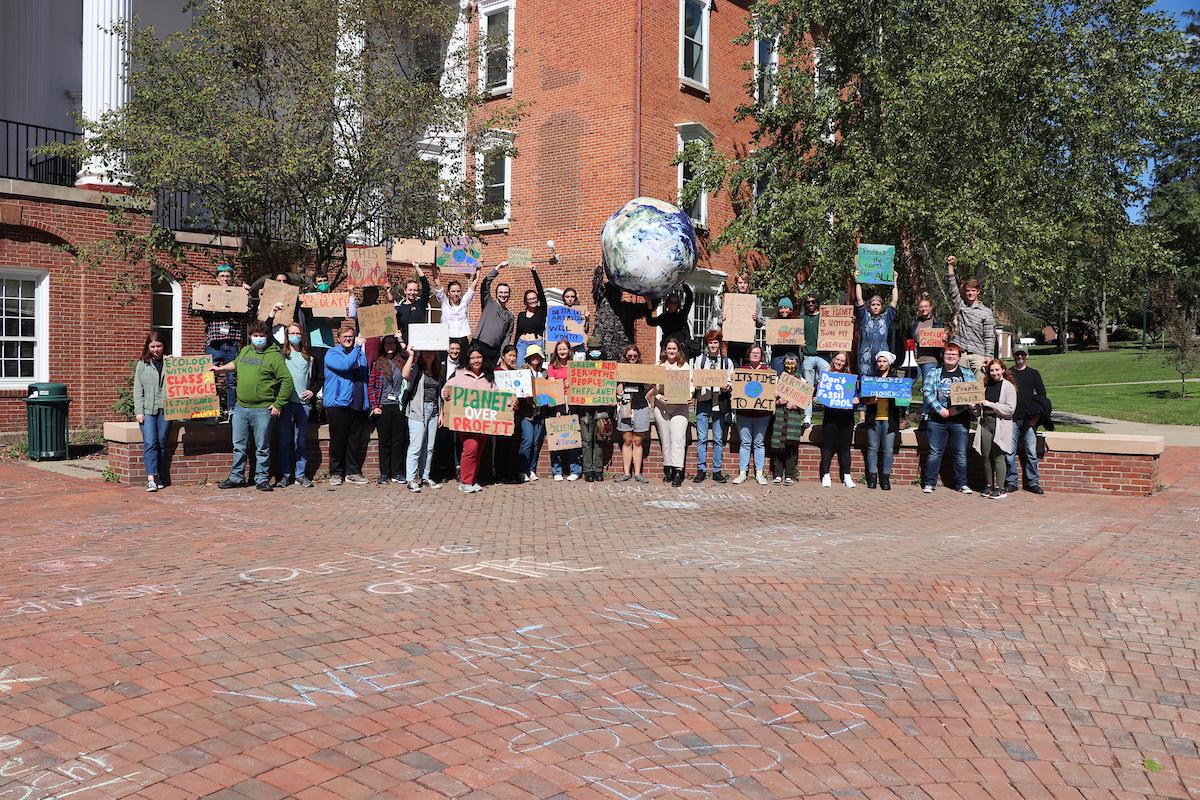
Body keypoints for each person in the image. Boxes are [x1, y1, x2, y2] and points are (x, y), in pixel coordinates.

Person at [213, 320, 294, 491]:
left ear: (267, 337)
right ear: (250, 337)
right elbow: (236, 364)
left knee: (262, 447)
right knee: (239, 446)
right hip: (241, 407)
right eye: (255, 336)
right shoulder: (245, 351)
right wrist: (220, 369)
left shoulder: (274, 356)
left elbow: (287, 381)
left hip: (262, 409)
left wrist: (278, 404)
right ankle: (236, 478)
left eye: (261, 336)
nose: (258, 338)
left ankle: (261, 479)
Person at [442, 345, 507, 494]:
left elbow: (496, 395)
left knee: (479, 450)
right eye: (472, 358)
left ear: (483, 358)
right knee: (470, 448)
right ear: (468, 359)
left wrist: (509, 402)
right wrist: (444, 392)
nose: (475, 360)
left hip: (483, 422)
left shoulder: (489, 376)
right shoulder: (459, 373)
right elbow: (447, 389)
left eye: (478, 357)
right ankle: (465, 482)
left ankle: (472, 480)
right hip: (465, 421)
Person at [188, 263, 246, 417]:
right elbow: (191, 310)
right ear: (217, 278)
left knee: (231, 380)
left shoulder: (237, 294)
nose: (225, 278)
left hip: (231, 342)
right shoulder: (208, 294)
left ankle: (232, 410)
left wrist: (247, 294)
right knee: (209, 378)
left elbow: (250, 311)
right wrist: (196, 292)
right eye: (222, 276)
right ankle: (210, 412)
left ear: (232, 278)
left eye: (228, 276)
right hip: (213, 343)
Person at [920, 342, 977, 494]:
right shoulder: (934, 372)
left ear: (959, 358)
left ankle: (961, 483)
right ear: (943, 356)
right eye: (947, 354)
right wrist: (940, 409)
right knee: (935, 452)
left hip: (960, 419)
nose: (950, 356)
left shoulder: (967, 374)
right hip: (937, 420)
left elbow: (972, 394)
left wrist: (968, 405)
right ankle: (929, 483)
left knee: (960, 453)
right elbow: (927, 391)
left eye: (953, 354)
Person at [324, 327, 370, 486]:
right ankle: (336, 473)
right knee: (338, 439)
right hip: (338, 403)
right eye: (345, 336)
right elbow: (344, 365)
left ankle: (352, 472)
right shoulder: (332, 353)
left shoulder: (360, 355)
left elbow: (366, 377)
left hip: (356, 402)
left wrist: (365, 401)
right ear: (338, 338)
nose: (349, 339)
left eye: (351, 336)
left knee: (354, 440)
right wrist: (357, 347)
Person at [401, 345, 446, 492]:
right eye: (426, 352)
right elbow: (404, 374)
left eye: (431, 352)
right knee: (416, 446)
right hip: (417, 411)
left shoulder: (438, 371)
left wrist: (441, 413)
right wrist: (411, 356)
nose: (428, 354)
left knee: (430, 447)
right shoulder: (416, 369)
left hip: (433, 411)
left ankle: (425, 477)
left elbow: (439, 394)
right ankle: (411, 479)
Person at [690, 330, 733, 483]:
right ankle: (701, 470)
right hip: (703, 400)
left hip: (719, 401)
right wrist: (690, 394)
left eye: (716, 342)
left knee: (718, 438)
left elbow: (731, 381)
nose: (713, 345)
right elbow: (693, 379)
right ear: (706, 344)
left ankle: (717, 470)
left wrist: (726, 387)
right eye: (710, 343)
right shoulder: (699, 360)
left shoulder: (727, 362)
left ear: (719, 344)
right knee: (701, 438)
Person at [276, 322, 315, 488]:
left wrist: (312, 391)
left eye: (298, 333)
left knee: (301, 441)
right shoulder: (281, 355)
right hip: (286, 404)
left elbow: (316, 378)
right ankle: (285, 475)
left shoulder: (309, 357)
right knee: (284, 440)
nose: (295, 336)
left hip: (303, 404)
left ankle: (300, 474)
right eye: (292, 333)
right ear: (286, 336)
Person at [650, 338, 692, 487]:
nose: (672, 351)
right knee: (665, 439)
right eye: (669, 349)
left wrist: (690, 395)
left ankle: (678, 471)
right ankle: (667, 468)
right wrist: (659, 397)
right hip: (662, 407)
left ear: (678, 350)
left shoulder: (685, 366)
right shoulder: (659, 366)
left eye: (674, 349)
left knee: (678, 438)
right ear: (665, 350)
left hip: (680, 408)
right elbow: (653, 388)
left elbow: (691, 384)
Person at [367, 335, 408, 486]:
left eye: (392, 343)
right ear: (383, 345)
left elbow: (413, 358)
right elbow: (371, 386)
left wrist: (401, 340)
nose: (390, 346)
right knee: (384, 442)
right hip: (383, 406)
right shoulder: (377, 363)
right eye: (387, 343)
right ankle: (384, 473)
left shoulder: (401, 361)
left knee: (398, 441)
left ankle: (397, 472)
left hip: (398, 405)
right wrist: (374, 406)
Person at [974, 358, 1017, 499]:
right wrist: (974, 407)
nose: (994, 373)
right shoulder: (984, 386)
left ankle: (1000, 487)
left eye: (997, 370)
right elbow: (978, 409)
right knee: (985, 456)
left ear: (1003, 370)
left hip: (1000, 424)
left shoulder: (1008, 387)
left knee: (999, 456)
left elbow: (1010, 409)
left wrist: (991, 404)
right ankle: (988, 485)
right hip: (985, 423)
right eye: (992, 370)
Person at [946, 255, 996, 377]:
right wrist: (950, 267)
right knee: (961, 389)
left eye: (973, 290)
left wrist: (988, 356)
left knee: (980, 388)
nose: (970, 293)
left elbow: (989, 336)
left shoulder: (986, 312)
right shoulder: (961, 306)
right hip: (961, 354)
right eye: (968, 291)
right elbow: (953, 289)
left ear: (978, 291)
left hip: (978, 356)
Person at [1005, 349, 1047, 494]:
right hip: (1011, 419)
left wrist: (1036, 418)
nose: (1020, 357)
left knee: (1031, 452)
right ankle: (1011, 482)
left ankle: (1032, 482)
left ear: (1027, 356)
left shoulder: (1034, 374)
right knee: (1009, 452)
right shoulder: (1008, 374)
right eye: (1017, 354)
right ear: (1013, 356)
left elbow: (1042, 397)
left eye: (1022, 354)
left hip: (1029, 420)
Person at [733, 344, 773, 485]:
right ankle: (742, 473)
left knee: (759, 443)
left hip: (762, 414)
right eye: (753, 353)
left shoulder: (768, 372)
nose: (755, 355)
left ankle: (759, 473)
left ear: (761, 355)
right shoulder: (741, 371)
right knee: (744, 443)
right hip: (743, 413)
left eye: (757, 353)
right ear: (748, 355)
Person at [818, 351, 859, 488]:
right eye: (837, 359)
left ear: (846, 363)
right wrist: (819, 391)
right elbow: (817, 398)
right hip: (830, 416)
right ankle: (825, 474)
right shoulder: (826, 376)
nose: (839, 362)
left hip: (846, 417)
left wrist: (855, 399)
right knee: (827, 447)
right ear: (833, 359)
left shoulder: (849, 378)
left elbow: (854, 395)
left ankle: (847, 475)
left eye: (842, 360)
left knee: (845, 447)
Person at [133, 332, 168, 492]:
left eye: (158, 346)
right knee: (150, 442)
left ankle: (160, 475)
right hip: (147, 409)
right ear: (148, 347)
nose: (156, 349)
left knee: (161, 442)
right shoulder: (142, 364)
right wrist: (138, 411)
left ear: (163, 346)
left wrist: (174, 363)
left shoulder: (171, 363)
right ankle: (151, 478)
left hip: (166, 409)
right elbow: (137, 389)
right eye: (152, 346)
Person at [577, 334, 614, 480]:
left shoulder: (607, 365)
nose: (595, 352)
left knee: (599, 439)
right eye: (593, 349)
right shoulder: (581, 364)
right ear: (588, 350)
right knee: (587, 441)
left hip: (601, 408)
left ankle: (598, 470)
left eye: (597, 349)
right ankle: (588, 471)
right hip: (585, 409)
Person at [863, 351, 901, 490]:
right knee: (872, 448)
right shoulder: (871, 379)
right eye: (879, 361)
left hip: (889, 419)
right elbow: (864, 400)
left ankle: (885, 478)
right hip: (874, 418)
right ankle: (872, 478)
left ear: (889, 363)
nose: (881, 364)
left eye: (884, 361)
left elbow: (902, 401)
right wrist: (872, 400)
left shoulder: (895, 379)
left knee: (888, 450)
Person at [613, 343, 651, 483]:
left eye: (634, 355)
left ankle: (637, 473)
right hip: (625, 406)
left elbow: (654, 383)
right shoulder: (621, 369)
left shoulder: (643, 370)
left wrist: (647, 397)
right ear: (625, 356)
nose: (632, 357)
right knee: (627, 441)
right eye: (629, 355)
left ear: (638, 356)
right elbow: (618, 391)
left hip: (640, 406)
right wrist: (621, 380)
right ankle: (626, 473)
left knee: (637, 441)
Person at [546, 339, 583, 480]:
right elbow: (551, 386)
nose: (562, 352)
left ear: (569, 351)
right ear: (556, 351)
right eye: (560, 349)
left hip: (573, 403)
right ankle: (557, 471)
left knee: (573, 436)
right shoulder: (552, 367)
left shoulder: (575, 366)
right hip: (558, 404)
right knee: (557, 436)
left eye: (565, 349)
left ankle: (575, 470)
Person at [853, 269, 899, 378]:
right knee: (866, 379)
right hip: (866, 354)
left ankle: (880, 396)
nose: (875, 306)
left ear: (882, 306)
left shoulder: (886, 318)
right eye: (873, 304)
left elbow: (894, 301)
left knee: (881, 379)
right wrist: (858, 281)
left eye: (878, 304)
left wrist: (895, 282)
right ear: (869, 306)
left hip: (882, 354)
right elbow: (859, 299)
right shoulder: (865, 317)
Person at [768, 353, 805, 486]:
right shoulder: (777, 380)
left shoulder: (801, 380)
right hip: (779, 416)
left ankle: (789, 475)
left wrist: (795, 405)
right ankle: (777, 474)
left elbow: (805, 402)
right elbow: (768, 399)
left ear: (797, 364)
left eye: (793, 363)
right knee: (777, 447)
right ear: (783, 364)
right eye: (788, 363)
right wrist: (778, 401)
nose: (790, 365)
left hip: (793, 417)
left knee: (791, 447)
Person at [709, 273, 762, 364]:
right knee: (733, 368)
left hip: (748, 342)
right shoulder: (730, 300)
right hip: (733, 342)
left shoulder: (755, 301)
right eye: (740, 282)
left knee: (747, 369)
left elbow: (761, 323)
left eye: (745, 283)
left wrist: (756, 318)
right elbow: (719, 321)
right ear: (736, 284)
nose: (742, 285)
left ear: (748, 284)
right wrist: (723, 319)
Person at [473, 261, 514, 366]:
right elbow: (485, 285)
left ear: (509, 295)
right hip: (479, 345)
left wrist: (501, 354)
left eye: (506, 293)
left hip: (494, 352)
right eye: (501, 292)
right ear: (496, 294)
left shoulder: (510, 316)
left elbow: (507, 337)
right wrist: (498, 267)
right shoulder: (488, 303)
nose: (503, 295)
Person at [516, 344, 547, 481]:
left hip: (540, 413)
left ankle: (531, 469)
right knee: (527, 441)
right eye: (532, 356)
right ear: (528, 358)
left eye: (538, 356)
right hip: (526, 413)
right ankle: (522, 470)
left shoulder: (545, 373)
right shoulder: (522, 371)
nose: (535, 358)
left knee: (536, 442)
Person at [433, 271, 483, 352]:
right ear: (448, 293)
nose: (456, 294)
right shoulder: (444, 303)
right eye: (453, 291)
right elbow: (437, 284)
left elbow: (473, 286)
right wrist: (434, 267)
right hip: (447, 337)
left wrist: (478, 269)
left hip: (462, 338)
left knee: (463, 362)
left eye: (458, 291)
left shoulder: (464, 303)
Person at [797, 294, 828, 428]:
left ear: (817, 303)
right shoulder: (801, 318)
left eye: (813, 302)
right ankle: (807, 416)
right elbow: (794, 333)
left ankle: (828, 414)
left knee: (827, 384)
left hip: (823, 356)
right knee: (807, 388)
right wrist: (798, 341)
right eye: (808, 302)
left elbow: (839, 327)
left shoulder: (825, 317)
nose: (810, 304)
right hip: (808, 356)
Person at [646, 285, 695, 357]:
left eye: (675, 303)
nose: (673, 304)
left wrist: (683, 284)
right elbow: (650, 321)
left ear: (678, 304)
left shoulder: (681, 315)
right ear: (667, 303)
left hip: (680, 349)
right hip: (667, 349)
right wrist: (649, 306)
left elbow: (689, 299)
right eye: (671, 302)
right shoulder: (663, 317)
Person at [910, 293, 946, 387]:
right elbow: (909, 338)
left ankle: (927, 402)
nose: (923, 309)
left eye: (926, 306)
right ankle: (901, 402)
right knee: (906, 385)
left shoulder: (938, 323)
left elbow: (944, 342)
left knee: (928, 388)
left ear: (930, 308)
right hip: (915, 359)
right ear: (918, 309)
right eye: (921, 307)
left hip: (931, 359)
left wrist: (944, 339)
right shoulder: (914, 322)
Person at [393, 267, 431, 343]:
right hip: (405, 345)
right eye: (410, 290)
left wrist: (417, 267)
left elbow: (426, 287)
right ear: (405, 291)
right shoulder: (399, 308)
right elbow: (395, 327)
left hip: (420, 343)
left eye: (415, 290)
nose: (412, 292)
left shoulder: (421, 304)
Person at [514, 267, 547, 343]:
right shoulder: (521, 315)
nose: (533, 301)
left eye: (534, 298)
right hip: (522, 343)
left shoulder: (541, 311)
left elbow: (540, 291)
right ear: (526, 301)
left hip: (536, 342)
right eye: (530, 299)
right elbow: (518, 332)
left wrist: (534, 272)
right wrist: (515, 348)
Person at [770, 297, 803, 374]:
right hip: (778, 355)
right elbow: (770, 337)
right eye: (781, 308)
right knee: (778, 377)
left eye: (786, 308)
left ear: (790, 309)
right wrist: (769, 340)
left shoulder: (797, 322)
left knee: (794, 379)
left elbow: (800, 337)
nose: (783, 310)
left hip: (793, 354)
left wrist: (802, 341)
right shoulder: (774, 322)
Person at [561, 286, 591, 359]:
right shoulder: (558, 312)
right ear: (563, 298)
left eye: (572, 297)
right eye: (567, 297)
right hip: (564, 347)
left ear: (575, 298)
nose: (570, 299)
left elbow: (585, 331)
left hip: (578, 346)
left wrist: (587, 319)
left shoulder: (581, 312)